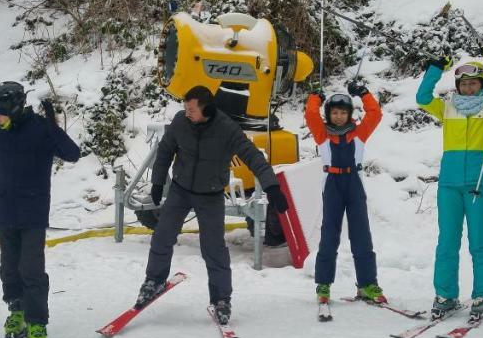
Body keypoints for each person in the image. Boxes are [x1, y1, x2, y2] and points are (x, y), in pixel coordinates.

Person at [136, 85, 290, 325]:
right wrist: (157, 183)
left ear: (205, 108)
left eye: (191, 109)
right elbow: (165, 150)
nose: (186, 112)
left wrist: (272, 187)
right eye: (185, 108)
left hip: (210, 195)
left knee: (214, 249)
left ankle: (221, 299)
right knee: (162, 236)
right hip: (180, 190)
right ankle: (153, 281)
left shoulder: (227, 129)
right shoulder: (180, 121)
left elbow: (253, 157)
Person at [0, 81, 81, 338]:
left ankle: (36, 321)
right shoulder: (1, 131)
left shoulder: (40, 130)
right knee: (9, 268)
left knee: (31, 270)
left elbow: (73, 154)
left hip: (33, 214)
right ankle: (16, 311)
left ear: (13, 109)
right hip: (5, 211)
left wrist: (53, 128)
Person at [416, 50, 483, 320]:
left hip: (480, 181)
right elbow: (422, 98)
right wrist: (435, 68)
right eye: (463, 84)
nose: (468, 88)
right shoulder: (448, 108)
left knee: (479, 241)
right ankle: (445, 295)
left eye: (473, 83)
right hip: (449, 184)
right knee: (446, 241)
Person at [303, 81, 384, 308]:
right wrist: (314, 98)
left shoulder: (358, 134)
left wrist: (364, 93)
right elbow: (311, 115)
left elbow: (375, 114)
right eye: (335, 112)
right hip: (333, 185)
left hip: (354, 183)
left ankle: (367, 284)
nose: (339, 117)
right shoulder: (322, 134)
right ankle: (324, 284)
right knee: (330, 235)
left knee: (361, 235)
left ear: (350, 114)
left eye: (343, 112)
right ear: (329, 114)